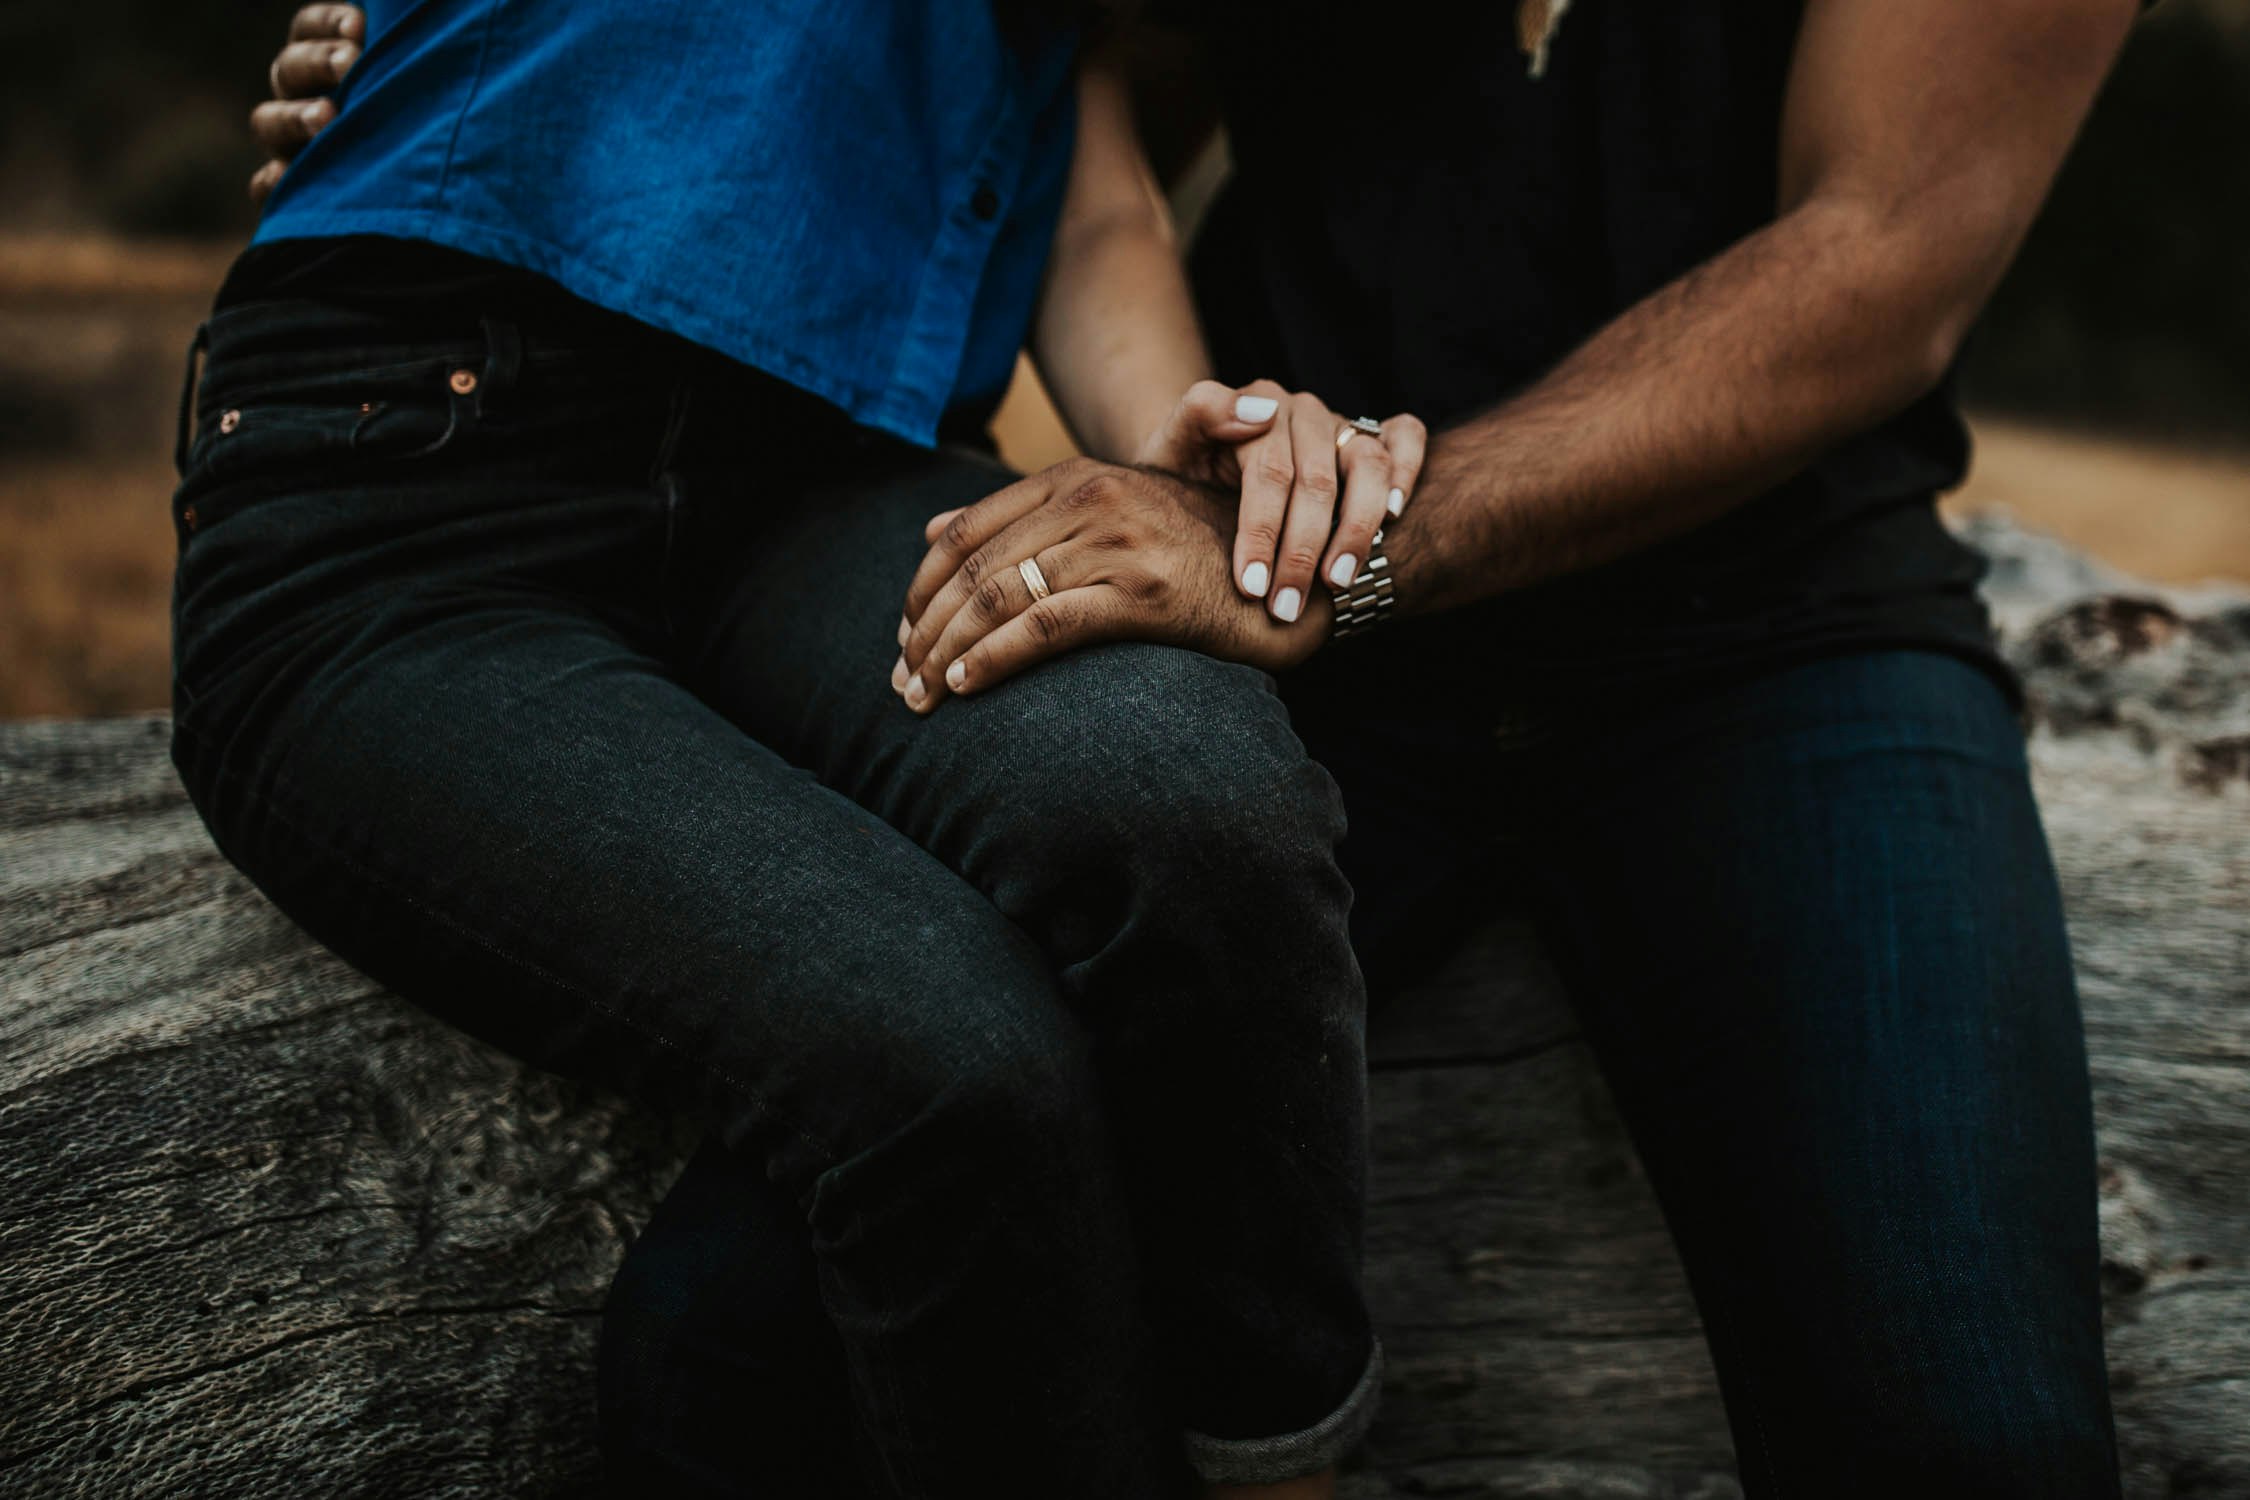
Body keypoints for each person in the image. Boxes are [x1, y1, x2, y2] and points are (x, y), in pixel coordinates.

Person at [253, 1, 2148, 1495]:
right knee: (743, 1333)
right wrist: (487, 98)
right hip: (1293, 626)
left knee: (1965, 1440)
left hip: (1764, 647)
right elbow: (1038, 116)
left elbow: (1884, 255)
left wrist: (1342, 545)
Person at [182, 3, 1427, 1497]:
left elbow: (1091, 193)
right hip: (418, 472)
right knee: (946, 1060)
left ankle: (1282, 1470)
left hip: (819, 479)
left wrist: (1191, 449)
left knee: (1194, 793)